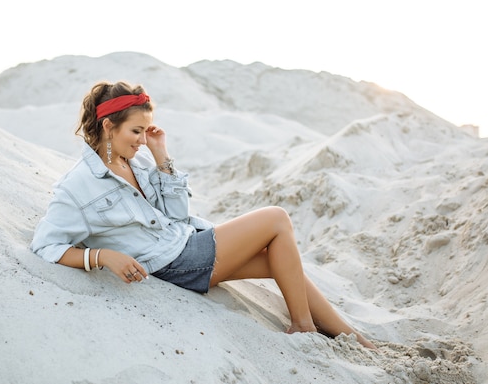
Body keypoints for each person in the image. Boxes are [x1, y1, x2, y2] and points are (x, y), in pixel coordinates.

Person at [30, 81, 376, 349]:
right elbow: (46, 246)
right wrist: (104, 256)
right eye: (135, 131)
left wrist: (161, 156)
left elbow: (179, 216)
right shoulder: (77, 185)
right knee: (276, 218)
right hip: (174, 262)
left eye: (144, 131)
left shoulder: (134, 162)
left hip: (185, 243)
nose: (140, 141)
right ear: (108, 126)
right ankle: (303, 325)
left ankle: (354, 338)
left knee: (278, 260)